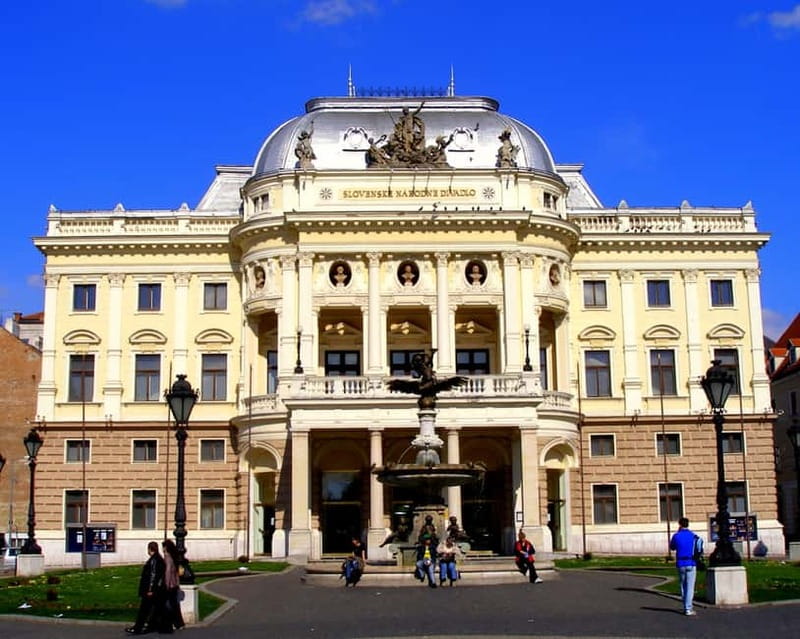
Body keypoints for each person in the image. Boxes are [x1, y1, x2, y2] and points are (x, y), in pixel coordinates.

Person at [126, 541, 166, 635]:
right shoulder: (159, 559)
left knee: (144, 610)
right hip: (157, 591)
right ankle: (155, 626)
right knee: (156, 609)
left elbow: (153, 576)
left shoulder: (153, 561)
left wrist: (150, 590)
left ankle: (137, 628)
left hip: (150, 591)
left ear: (149, 549)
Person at [669, 517, 700, 616]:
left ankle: (685, 606)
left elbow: (672, 547)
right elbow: (699, 548)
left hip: (680, 563)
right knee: (690, 587)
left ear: (680, 524)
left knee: (683, 585)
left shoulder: (676, 536)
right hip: (691, 562)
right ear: (688, 524)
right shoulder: (693, 536)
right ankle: (688, 608)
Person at [160, 539, 185, 632]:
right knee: (175, 605)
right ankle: (179, 623)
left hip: (169, 585)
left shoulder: (167, 558)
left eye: (163, 547)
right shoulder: (174, 558)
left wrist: (166, 584)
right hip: (174, 585)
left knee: (169, 605)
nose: (162, 549)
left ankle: (173, 623)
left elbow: (168, 572)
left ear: (165, 548)